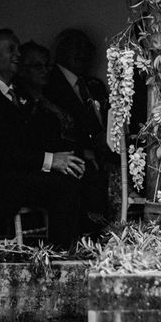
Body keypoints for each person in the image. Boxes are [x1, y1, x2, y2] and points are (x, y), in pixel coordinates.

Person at [0, 29, 85, 249]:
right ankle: (59, 256)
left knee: (74, 175)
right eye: (10, 49)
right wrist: (49, 161)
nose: (18, 54)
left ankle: (71, 249)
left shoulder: (18, 93)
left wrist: (64, 159)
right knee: (63, 187)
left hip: (16, 176)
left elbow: (31, 140)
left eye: (18, 48)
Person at [44, 28, 110, 232]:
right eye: (76, 48)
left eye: (86, 49)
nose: (82, 54)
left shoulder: (94, 85)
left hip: (102, 155)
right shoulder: (49, 83)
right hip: (71, 157)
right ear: (61, 51)